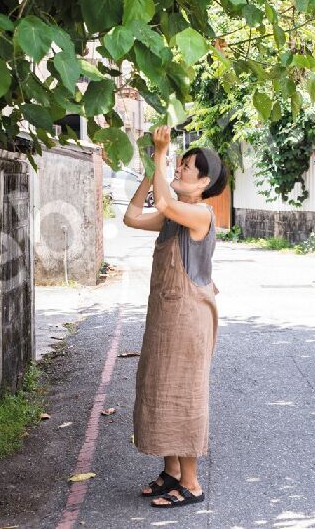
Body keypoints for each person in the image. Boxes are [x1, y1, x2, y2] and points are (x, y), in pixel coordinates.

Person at [122, 125, 228, 509]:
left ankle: (192, 483)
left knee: (183, 394)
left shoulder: (199, 214)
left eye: (188, 167)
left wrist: (161, 154)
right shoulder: (173, 217)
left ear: (203, 183)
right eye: (180, 164)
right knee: (159, 388)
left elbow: (165, 205)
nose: (180, 170)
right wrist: (154, 171)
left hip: (188, 319)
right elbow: (133, 217)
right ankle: (170, 473)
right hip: (166, 317)